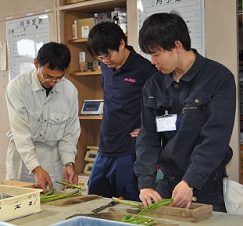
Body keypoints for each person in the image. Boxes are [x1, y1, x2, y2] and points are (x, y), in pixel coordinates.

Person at [134, 12, 236, 212]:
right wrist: (146, 184)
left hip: (204, 182)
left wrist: (190, 181)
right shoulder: (153, 85)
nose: (152, 61)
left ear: (177, 46)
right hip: (165, 182)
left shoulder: (219, 78)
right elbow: (147, 138)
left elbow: (216, 137)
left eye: (156, 54)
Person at [87, 22, 158, 201]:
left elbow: (163, 105)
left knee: (132, 205)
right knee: (93, 201)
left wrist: (150, 128)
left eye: (108, 56)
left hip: (129, 150)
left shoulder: (145, 70)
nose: (105, 61)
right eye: (100, 58)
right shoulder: (106, 66)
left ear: (121, 44)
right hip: (105, 146)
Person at [5, 42, 81, 193]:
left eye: (58, 78)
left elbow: (69, 133)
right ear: (36, 64)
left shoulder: (70, 91)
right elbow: (21, 134)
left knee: (54, 208)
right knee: (21, 208)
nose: (52, 82)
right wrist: (36, 167)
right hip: (23, 160)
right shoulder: (17, 88)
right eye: (47, 77)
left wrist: (68, 163)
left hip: (53, 158)